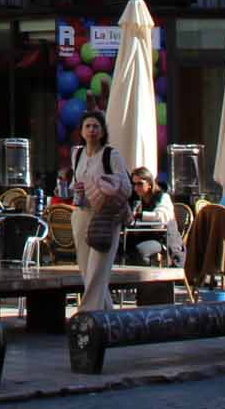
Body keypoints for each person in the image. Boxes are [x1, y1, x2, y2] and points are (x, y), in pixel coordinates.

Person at [69, 111, 127, 313]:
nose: (92, 130)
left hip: (105, 216)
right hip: (81, 213)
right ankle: (108, 318)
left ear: (102, 131)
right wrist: (74, 188)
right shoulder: (77, 154)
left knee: (98, 270)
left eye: (96, 126)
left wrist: (105, 188)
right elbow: (74, 182)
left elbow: (125, 185)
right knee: (86, 270)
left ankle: (87, 315)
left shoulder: (111, 155)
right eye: (88, 126)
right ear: (81, 131)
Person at [127, 166, 183, 266]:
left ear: (149, 184)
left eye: (140, 184)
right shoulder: (137, 199)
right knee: (120, 247)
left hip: (163, 238)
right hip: (145, 236)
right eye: (133, 184)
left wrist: (140, 215)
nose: (135, 188)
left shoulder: (162, 197)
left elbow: (161, 218)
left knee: (140, 251)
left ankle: (146, 279)